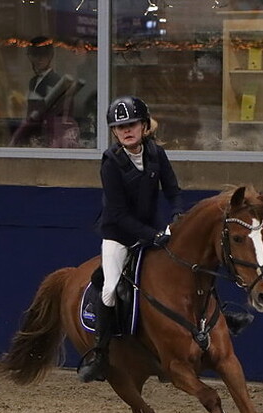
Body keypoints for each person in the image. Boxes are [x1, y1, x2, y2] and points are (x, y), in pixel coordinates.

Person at [77, 96, 184, 383]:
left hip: (152, 232)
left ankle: (222, 317)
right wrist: (154, 235)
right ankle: (100, 354)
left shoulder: (156, 154)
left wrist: (177, 215)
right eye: (119, 127)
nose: (126, 130)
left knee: (187, 266)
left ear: (144, 125)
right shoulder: (111, 162)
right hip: (119, 236)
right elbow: (119, 214)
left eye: (131, 124)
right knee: (111, 289)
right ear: (114, 132)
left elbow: (173, 191)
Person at [9, 37, 80, 147]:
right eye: (35, 55)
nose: (39, 60)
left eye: (43, 56)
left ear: (50, 57)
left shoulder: (55, 81)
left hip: (47, 133)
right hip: (33, 130)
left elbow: (53, 110)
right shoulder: (33, 81)